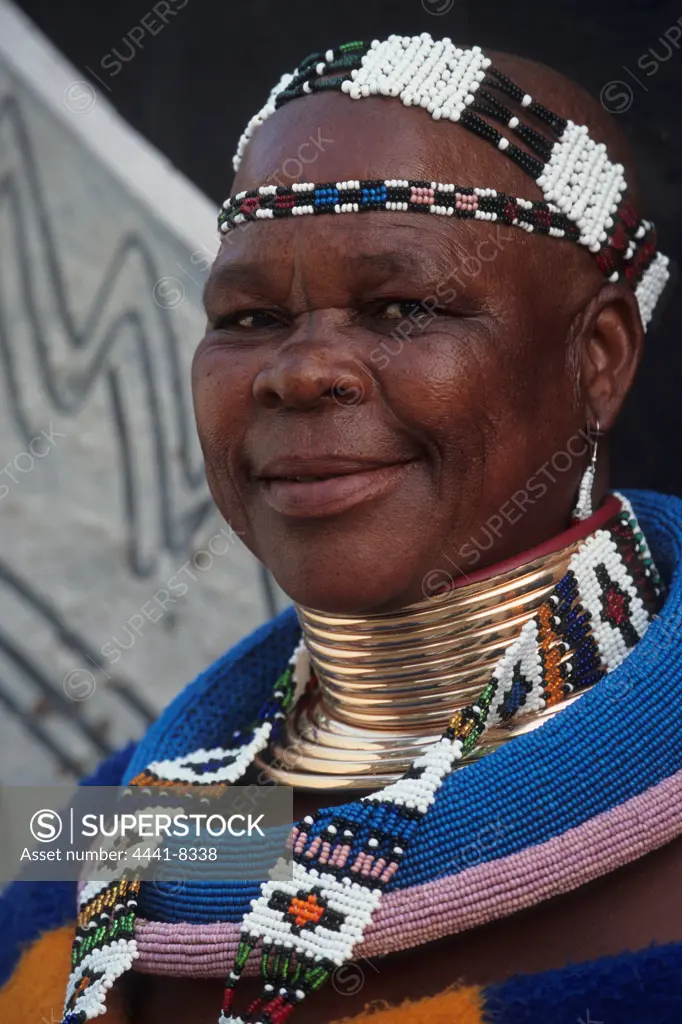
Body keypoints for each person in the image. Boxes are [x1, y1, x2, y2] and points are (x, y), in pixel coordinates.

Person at [2, 32, 681, 1024]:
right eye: (244, 319)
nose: (296, 371)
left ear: (599, 358)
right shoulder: (121, 822)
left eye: (402, 305)